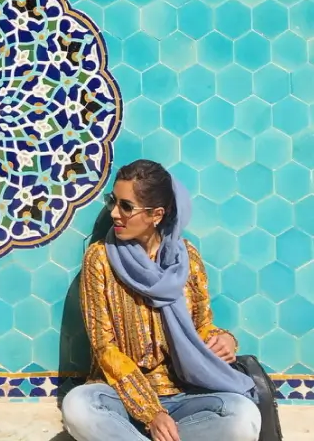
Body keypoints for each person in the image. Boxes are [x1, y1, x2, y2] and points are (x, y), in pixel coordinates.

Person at [61, 159, 261, 441]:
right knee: (78, 406)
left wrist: (225, 340)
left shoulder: (186, 259)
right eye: (113, 201)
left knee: (242, 415)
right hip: (121, 398)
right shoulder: (100, 259)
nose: (115, 213)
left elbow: (202, 326)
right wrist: (150, 412)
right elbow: (105, 348)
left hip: (184, 394)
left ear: (156, 214)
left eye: (126, 206)